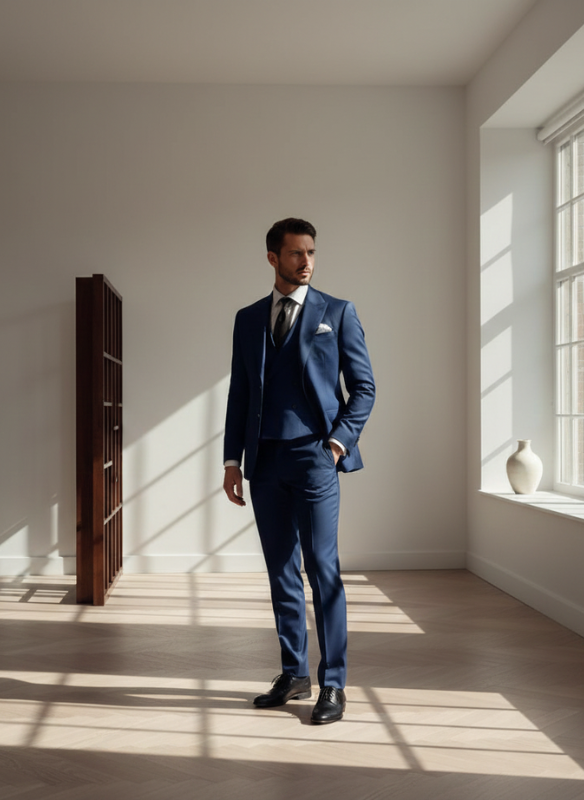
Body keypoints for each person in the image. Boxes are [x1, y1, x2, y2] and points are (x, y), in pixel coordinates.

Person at [223, 217, 375, 724]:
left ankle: (334, 682)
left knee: (322, 571)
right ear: (273, 258)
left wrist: (335, 445)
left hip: (315, 459)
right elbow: (239, 396)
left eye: (311, 252)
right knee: (281, 572)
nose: (306, 262)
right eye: (295, 254)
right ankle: (294, 672)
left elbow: (364, 388)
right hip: (264, 463)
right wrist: (232, 460)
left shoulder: (338, 312)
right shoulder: (247, 319)